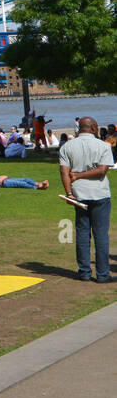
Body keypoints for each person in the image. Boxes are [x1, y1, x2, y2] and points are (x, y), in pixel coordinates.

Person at [59, 117, 113, 282]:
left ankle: (84, 272)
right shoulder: (104, 146)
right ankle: (103, 274)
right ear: (95, 128)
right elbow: (102, 171)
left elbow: (64, 172)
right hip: (100, 194)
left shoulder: (67, 147)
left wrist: (69, 192)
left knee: (82, 233)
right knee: (101, 235)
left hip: (79, 195)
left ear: (79, 128)